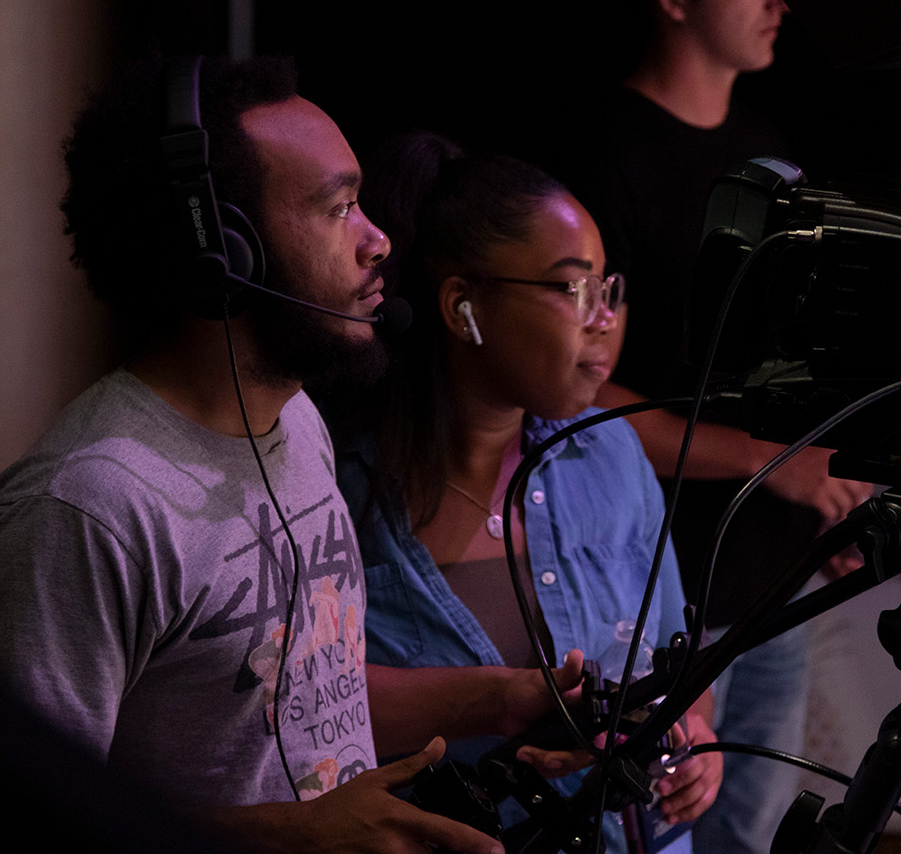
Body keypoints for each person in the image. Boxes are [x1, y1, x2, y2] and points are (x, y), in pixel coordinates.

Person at [0, 55, 538, 854]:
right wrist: (298, 836)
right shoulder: (89, 509)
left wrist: (505, 702)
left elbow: (293, 697)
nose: (379, 239)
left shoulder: (298, 422)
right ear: (225, 253)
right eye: (339, 209)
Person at [546, 0, 876, 853]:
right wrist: (778, 468)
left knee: (755, 834)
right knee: (669, 831)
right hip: (660, 590)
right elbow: (576, 394)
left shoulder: (765, 149)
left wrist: (825, 496)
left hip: (770, 578)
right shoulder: (600, 160)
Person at [333, 130, 723, 853]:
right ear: (462, 308)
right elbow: (305, 707)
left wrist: (696, 737)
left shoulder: (609, 447)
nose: (603, 318)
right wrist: (494, 703)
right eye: (572, 287)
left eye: (608, 289)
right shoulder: (337, 485)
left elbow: (677, 654)